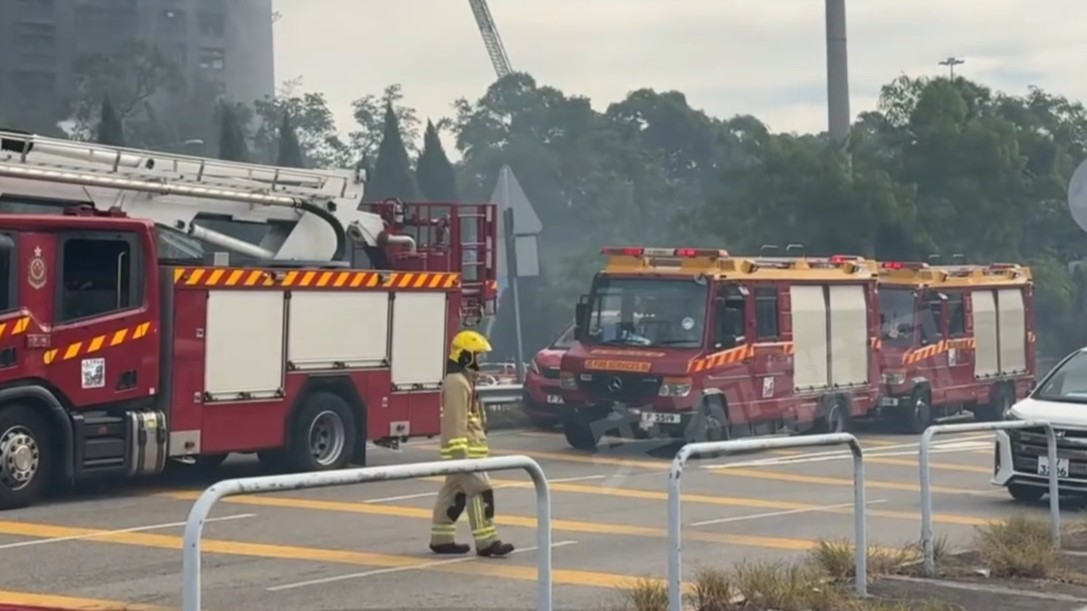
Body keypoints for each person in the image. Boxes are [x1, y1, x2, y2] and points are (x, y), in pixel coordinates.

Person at [429, 329, 515, 558]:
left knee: (453, 493)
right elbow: (455, 420)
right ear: (466, 356)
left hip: (467, 450)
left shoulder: (463, 380)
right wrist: (460, 456)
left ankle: (441, 538)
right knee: (481, 490)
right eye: (478, 355)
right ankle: (487, 542)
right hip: (464, 452)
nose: (481, 361)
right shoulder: (458, 383)